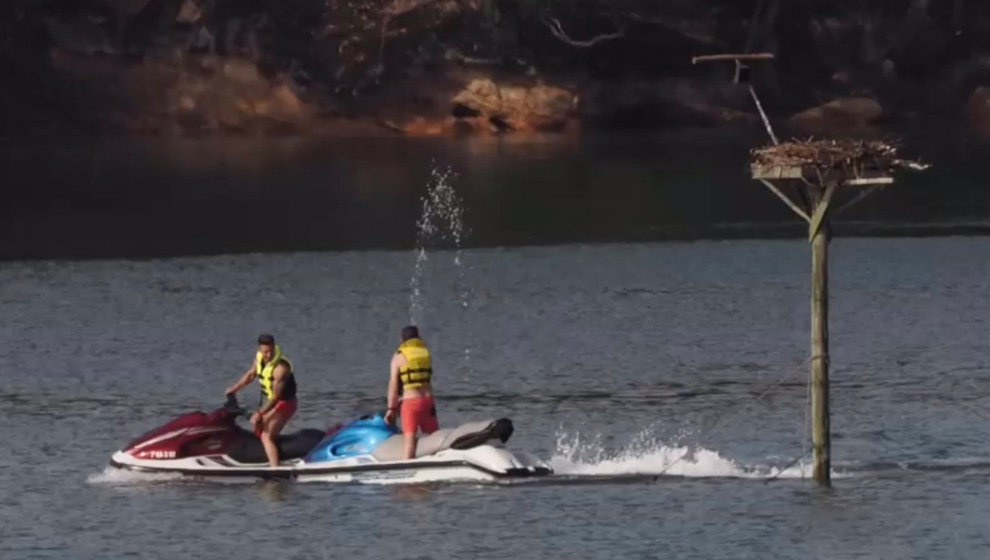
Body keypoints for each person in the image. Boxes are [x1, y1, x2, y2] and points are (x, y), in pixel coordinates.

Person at [224, 334, 298, 468]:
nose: (268, 355)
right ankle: (264, 458)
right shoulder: (259, 359)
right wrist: (234, 389)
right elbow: (251, 375)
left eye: (271, 351)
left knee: (266, 436)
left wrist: (259, 413)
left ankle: (275, 470)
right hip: (273, 402)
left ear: (274, 348)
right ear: (259, 350)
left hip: (285, 404)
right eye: (265, 352)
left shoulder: (280, 369)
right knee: (257, 427)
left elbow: (276, 397)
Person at [384, 325, 438, 459]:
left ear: (402, 341)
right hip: (428, 402)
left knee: (409, 443)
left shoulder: (398, 357)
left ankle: (408, 476)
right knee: (434, 439)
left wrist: (391, 409)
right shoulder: (425, 353)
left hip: (411, 404)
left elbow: (393, 385)